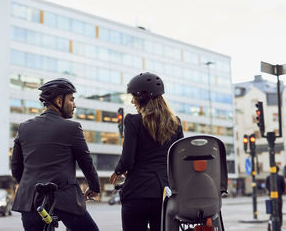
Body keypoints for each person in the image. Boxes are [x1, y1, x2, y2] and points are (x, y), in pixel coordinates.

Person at [11, 78, 100, 231]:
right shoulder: (72, 128)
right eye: (71, 99)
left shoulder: (24, 127)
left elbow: (16, 167)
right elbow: (86, 163)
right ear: (59, 101)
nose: (74, 104)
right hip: (65, 199)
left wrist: (31, 186)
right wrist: (94, 187)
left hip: (30, 201)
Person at [110, 72, 184, 231]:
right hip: (165, 195)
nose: (132, 101)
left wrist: (118, 170)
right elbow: (177, 161)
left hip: (137, 193)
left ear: (142, 97)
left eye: (133, 96)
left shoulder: (132, 121)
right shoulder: (176, 124)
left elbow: (128, 159)